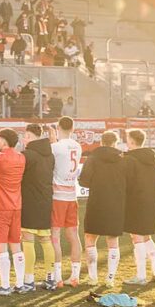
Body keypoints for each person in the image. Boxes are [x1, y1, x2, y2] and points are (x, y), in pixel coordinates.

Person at [79, 131, 126, 287]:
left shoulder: (93, 158)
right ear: (115, 143)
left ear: (102, 142)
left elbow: (84, 181)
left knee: (90, 238)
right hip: (116, 202)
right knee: (113, 240)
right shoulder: (123, 159)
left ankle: (93, 277)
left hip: (97, 200)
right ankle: (110, 278)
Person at [120, 128, 155, 286]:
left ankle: (141, 275)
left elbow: (125, 183)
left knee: (136, 237)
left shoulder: (129, 160)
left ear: (131, 141)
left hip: (135, 202)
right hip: (151, 202)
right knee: (146, 237)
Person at [18, 123, 56, 290]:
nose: (23, 140)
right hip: (46, 200)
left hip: (30, 201)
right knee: (46, 239)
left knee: (27, 239)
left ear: (30, 137)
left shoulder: (27, 155)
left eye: (25, 137)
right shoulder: (50, 155)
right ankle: (50, 278)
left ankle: (29, 279)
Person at [49, 116, 84, 287]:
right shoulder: (78, 146)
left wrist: (52, 140)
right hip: (72, 195)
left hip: (58, 197)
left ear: (57, 127)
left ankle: (57, 277)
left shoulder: (54, 147)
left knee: (54, 236)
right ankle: (75, 276)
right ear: (72, 128)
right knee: (73, 236)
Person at [0, 127, 25, 296]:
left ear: (4, 141)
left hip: (1, 207)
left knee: (0, 245)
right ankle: (19, 284)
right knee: (16, 245)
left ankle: (5, 286)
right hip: (16, 206)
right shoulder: (21, 157)